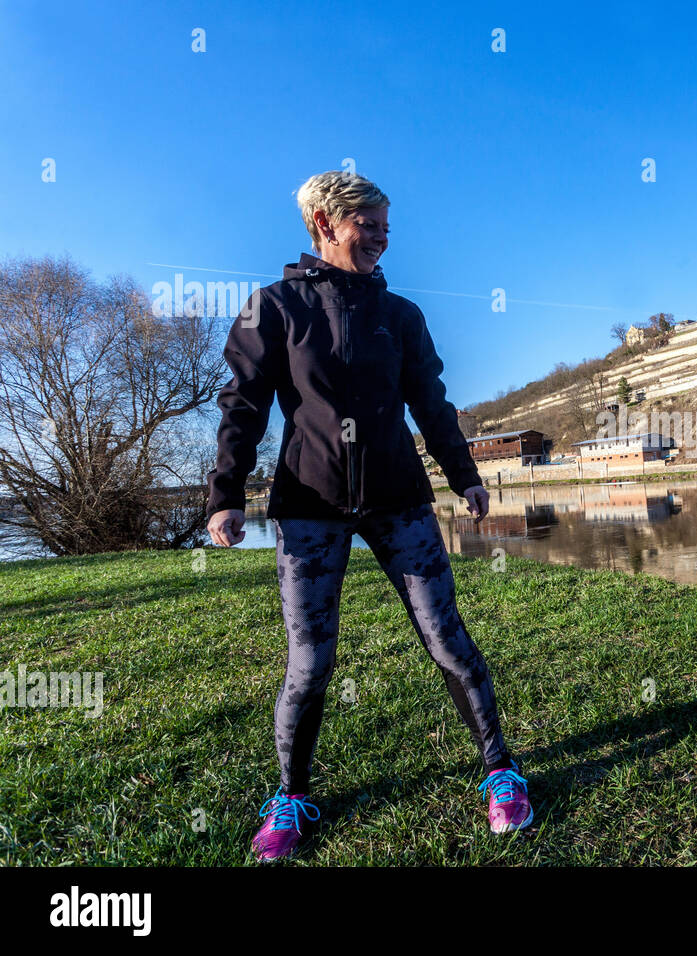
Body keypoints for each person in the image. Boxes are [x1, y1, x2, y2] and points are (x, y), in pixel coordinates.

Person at [205, 171, 531, 861]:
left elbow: (432, 405)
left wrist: (463, 475)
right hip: (309, 506)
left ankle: (502, 772)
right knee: (310, 663)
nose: (383, 237)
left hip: (398, 499)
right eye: (369, 225)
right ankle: (291, 796)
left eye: (386, 225)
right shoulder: (274, 306)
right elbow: (242, 407)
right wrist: (226, 495)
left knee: (448, 640)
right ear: (325, 222)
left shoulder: (402, 316)